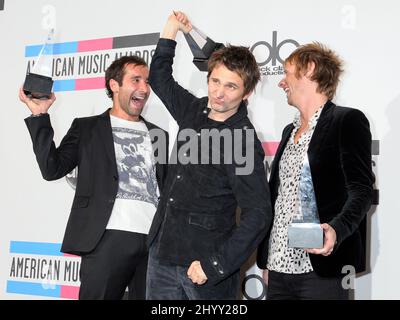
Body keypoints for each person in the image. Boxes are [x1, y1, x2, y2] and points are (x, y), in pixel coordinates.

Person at [146, 11, 272, 300]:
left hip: (204, 271)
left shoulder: (242, 141)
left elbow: (258, 214)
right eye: (215, 81)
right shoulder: (193, 110)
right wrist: (171, 30)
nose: (219, 93)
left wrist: (215, 265)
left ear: (247, 92)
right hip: (162, 256)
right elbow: (159, 78)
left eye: (231, 86)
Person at [19, 55, 168, 300]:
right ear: (114, 85)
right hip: (106, 238)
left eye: (147, 81)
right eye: (136, 80)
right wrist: (39, 117)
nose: (144, 88)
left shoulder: (159, 135)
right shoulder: (86, 128)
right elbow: (52, 169)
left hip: (154, 243)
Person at [256, 42, 375, 299]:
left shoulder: (347, 121)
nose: (281, 83)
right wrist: (267, 260)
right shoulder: (289, 131)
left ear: (309, 69)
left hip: (321, 269)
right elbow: (277, 199)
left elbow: (362, 190)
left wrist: (336, 229)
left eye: (286, 73)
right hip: (278, 270)